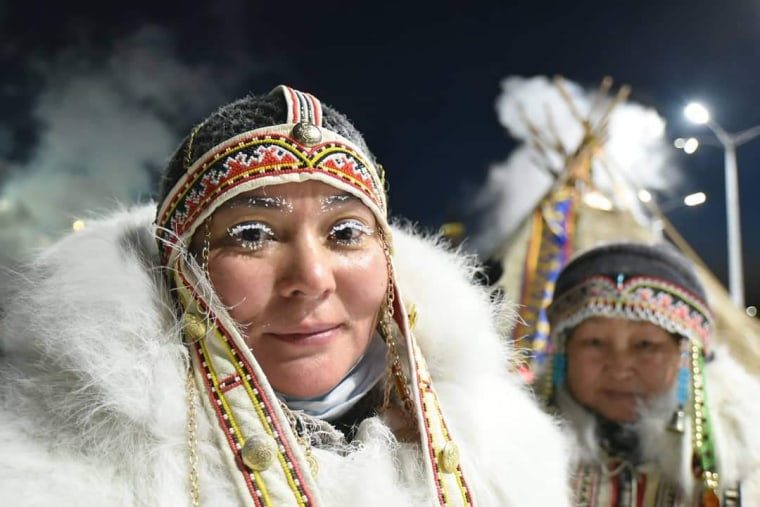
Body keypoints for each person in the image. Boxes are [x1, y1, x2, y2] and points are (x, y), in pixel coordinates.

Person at [0, 85, 572, 505]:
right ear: (183, 270)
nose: (312, 278)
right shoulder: (53, 464)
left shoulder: (503, 449)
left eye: (346, 232)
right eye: (252, 235)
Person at [539, 240, 760, 505]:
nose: (620, 369)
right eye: (595, 342)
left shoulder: (749, 469)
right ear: (564, 352)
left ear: (686, 357)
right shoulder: (509, 451)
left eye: (646, 345)